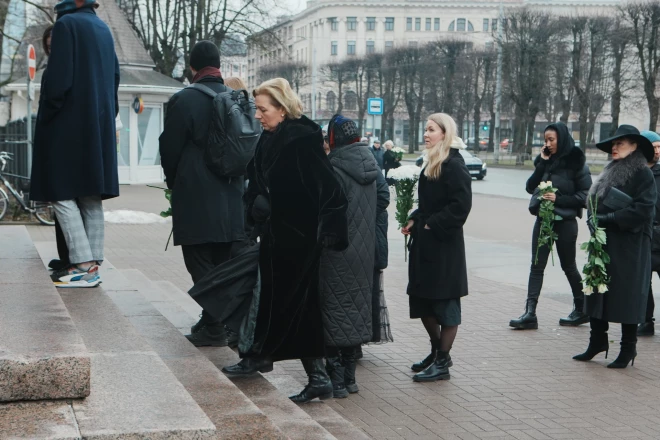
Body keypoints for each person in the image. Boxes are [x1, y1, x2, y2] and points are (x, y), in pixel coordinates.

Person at [221, 78, 349, 405]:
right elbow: (257, 183)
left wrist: (326, 234)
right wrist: (257, 207)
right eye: (257, 109)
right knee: (278, 303)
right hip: (276, 237)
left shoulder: (301, 140)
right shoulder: (270, 138)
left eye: (263, 109)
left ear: (282, 108)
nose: (259, 116)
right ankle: (268, 360)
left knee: (295, 307)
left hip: (300, 240)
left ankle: (315, 375)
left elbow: (331, 192)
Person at [159, 41, 247, 347]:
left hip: (195, 193)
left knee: (199, 261)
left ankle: (225, 322)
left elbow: (169, 148)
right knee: (223, 263)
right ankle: (212, 323)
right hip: (233, 193)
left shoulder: (183, 100)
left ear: (192, 67)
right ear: (219, 65)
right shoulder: (237, 97)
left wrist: (174, 183)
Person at [31, 0, 120, 287]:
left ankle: (81, 265)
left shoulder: (67, 25)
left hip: (67, 124)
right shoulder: (103, 28)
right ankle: (93, 266)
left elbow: (58, 82)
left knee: (61, 192)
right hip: (97, 124)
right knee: (90, 195)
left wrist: (47, 114)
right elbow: (115, 78)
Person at [574, 125, 656, 369]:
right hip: (605, 244)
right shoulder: (610, 170)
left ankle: (628, 348)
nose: (614, 147)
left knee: (626, 297)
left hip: (630, 247)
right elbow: (595, 203)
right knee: (598, 291)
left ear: (635, 146)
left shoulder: (643, 173)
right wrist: (593, 218)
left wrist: (608, 219)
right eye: (613, 144)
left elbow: (643, 210)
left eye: (620, 143)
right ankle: (597, 341)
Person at [401, 113, 472, 382]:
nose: (426, 134)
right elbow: (430, 204)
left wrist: (432, 224)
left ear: (445, 133)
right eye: (426, 129)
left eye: (431, 130)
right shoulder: (433, 161)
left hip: (444, 248)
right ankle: (437, 351)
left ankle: (442, 363)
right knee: (422, 301)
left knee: (445, 304)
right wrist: (414, 219)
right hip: (426, 245)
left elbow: (461, 205)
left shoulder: (453, 164)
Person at [509, 122, 592, 329]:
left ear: (561, 139)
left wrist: (559, 199)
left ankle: (582, 309)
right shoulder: (545, 159)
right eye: (545, 140)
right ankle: (530, 313)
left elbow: (585, 195)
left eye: (551, 140)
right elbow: (530, 187)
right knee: (536, 265)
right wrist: (542, 163)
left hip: (565, 222)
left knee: (568, 266)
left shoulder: (577, 162)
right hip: (543, 221)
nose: (547, 143)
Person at [320, 115, 377, 398]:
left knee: (332, 313)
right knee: (355, 311)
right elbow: (383, 201)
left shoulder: (332, 168)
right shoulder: (371, 164)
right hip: (364, 252)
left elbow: (323, 209)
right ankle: (351, 379)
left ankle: (338, 382)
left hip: (336, 250)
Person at [638, 130, 660, 336]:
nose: (658, 152)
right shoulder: (636, 174)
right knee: (644, 282)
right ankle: (646, 321)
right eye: (654, 147)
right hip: (644, 236)